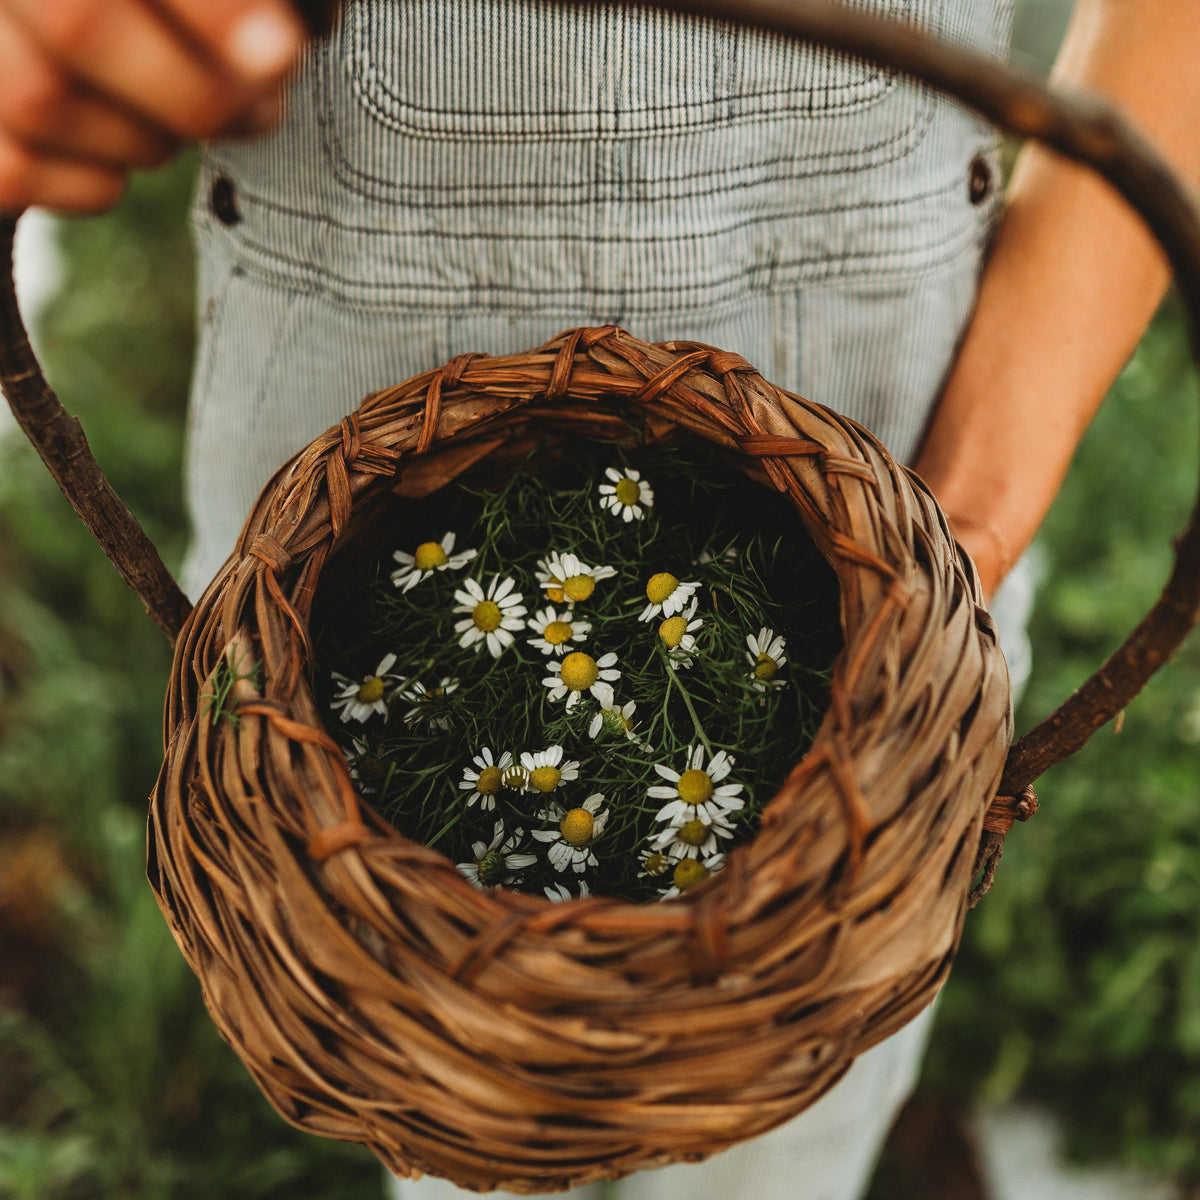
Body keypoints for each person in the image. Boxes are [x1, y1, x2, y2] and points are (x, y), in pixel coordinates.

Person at [1, 1, 1197, 1197]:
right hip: (352, 454)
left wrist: (974, 512)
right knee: (452, 1096)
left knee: (781, 1129)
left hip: (889, 451)